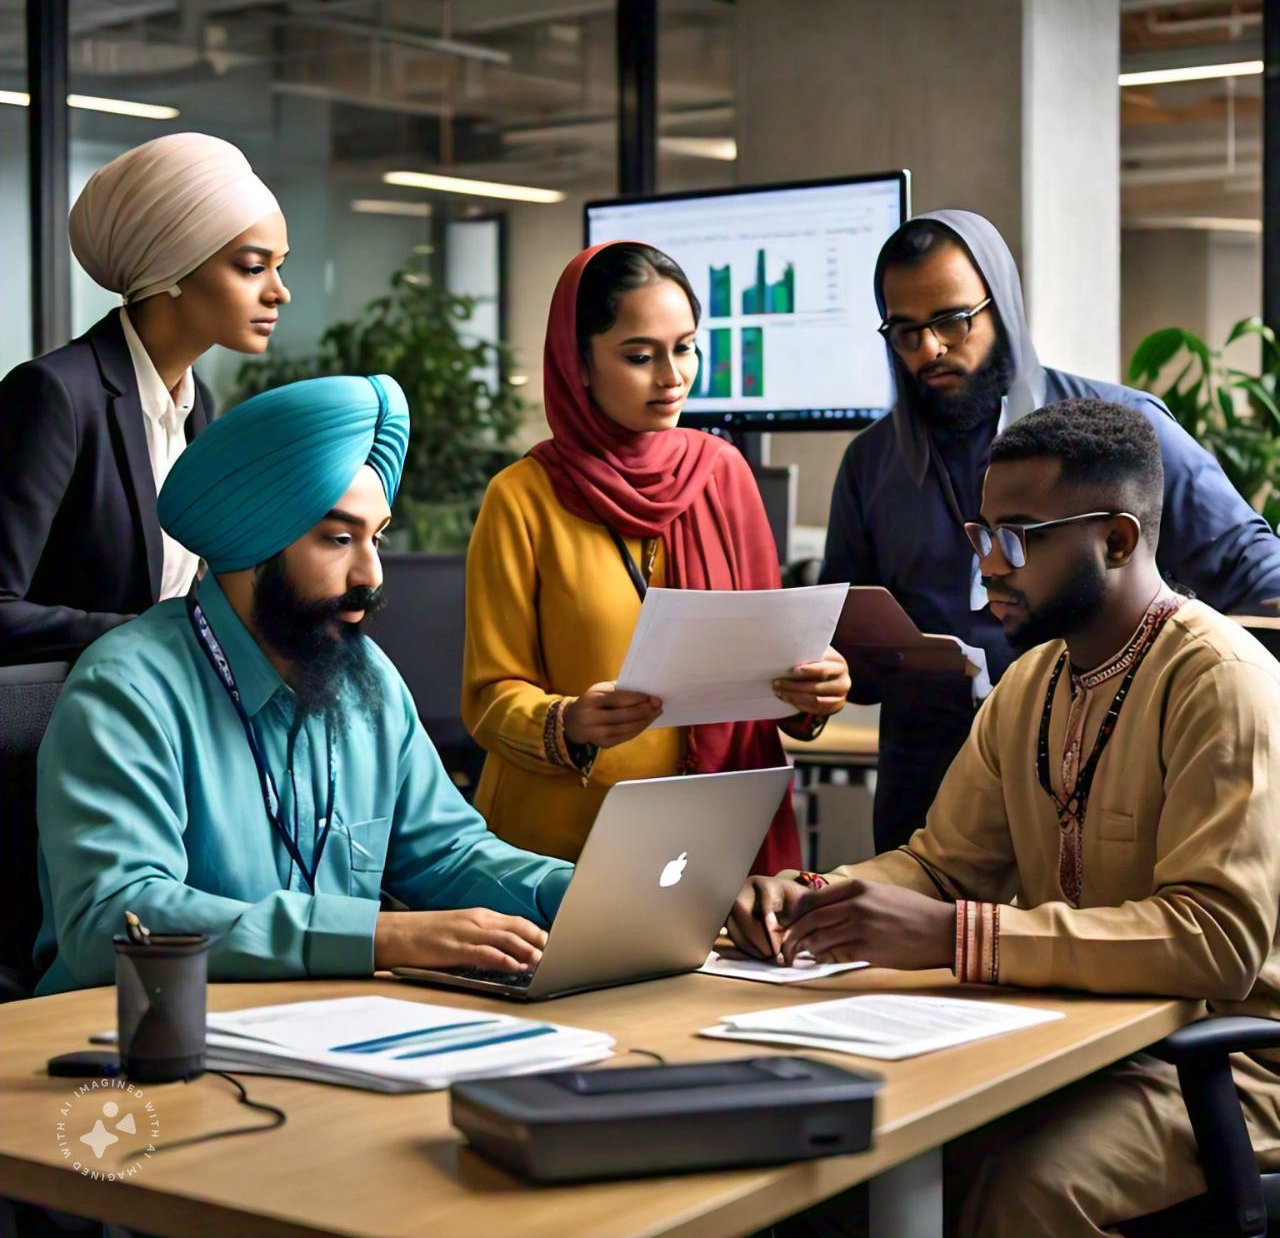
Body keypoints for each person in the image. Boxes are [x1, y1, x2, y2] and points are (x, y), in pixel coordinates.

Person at [732, 398, 1280, 1236]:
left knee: (1026, 1192)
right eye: (980, 533)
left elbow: (1215, 942)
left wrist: (957, 936)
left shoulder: (1220, 680)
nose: (989, 564)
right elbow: (942, 864)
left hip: (1230, 1063)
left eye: (1019, 537)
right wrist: (818, 893)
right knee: (845, 1163)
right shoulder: (1029, 682)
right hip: (1074, 1036)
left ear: (1119, 540)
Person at [34, 373, 572, 994]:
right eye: (339, 539)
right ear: (253, 541)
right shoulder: (126, 690)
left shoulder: (365, 676)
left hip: (325, 1030)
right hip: (134, 1042)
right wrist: (380, 936)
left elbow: (447, 855)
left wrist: (581, 895)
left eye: (378, 537)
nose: (370, 574)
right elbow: (115, 918)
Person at [822, 209, 1280, 852]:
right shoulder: (871, 464)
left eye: (952, 321)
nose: (929, 348)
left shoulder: (1114, 429)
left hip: (1097, 770)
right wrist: (833, 677)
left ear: (1001, 307)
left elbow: (1255, 571)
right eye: (904, 332)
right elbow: (845, 648)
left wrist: (1187, 688)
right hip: (928, 797)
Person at [462, 242, 851, 869]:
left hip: (707, 839)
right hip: (560, 854)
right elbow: (487, 700)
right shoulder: (522, 498)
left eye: (686, 347)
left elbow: (768, 669)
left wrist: (813, 689)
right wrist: (569, 721)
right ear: (579, 362)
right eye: (640, 356)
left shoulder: (723, 475)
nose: (672, 376)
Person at [0, 132, 290, 666]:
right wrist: (160, 634)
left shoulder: (194, 402)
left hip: (163, 709)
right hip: (60, 725)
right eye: (252, 267)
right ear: (172, 271)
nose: (279, 291)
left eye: (279, 266)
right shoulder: (55, 395)